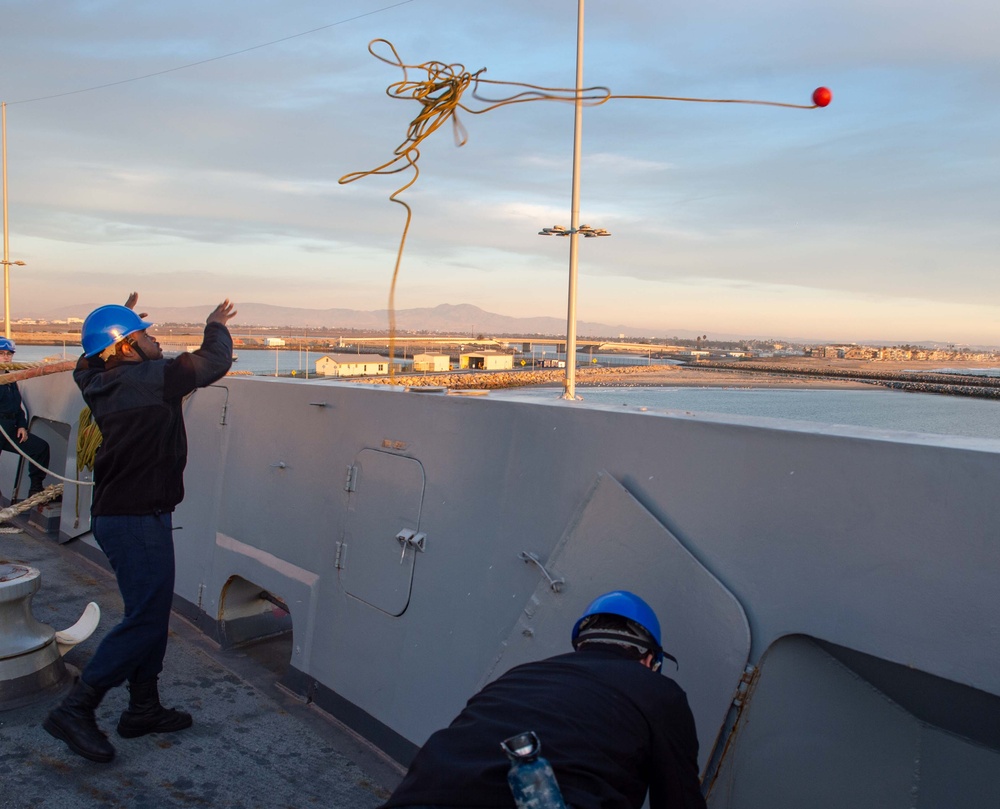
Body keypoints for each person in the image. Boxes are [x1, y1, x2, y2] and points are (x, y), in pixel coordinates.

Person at [43, 293, 236, 763]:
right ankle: (76, 709)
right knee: (146, 619)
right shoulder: (154, 379)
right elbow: (214, 362)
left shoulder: (95, 379)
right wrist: (214, 324)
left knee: (146, 615)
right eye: (146, 335)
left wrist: (119, 321)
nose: (157, 340)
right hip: (136, 518)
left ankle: (143, 709)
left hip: (122, 515)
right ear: (127, 347)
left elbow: (86, 362)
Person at [381, 590, 706, 809]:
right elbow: (679, 800)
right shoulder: (659, 692)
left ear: (583, 645)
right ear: (650, 660)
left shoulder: (521, 674)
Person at [0, 337, 52, 500]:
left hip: (9, 427)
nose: (6, 357)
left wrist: (22, 425)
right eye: (1, 353)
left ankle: (35, 490)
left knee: (40, 448)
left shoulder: (10, 378)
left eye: (9, 354)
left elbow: (17, 405)